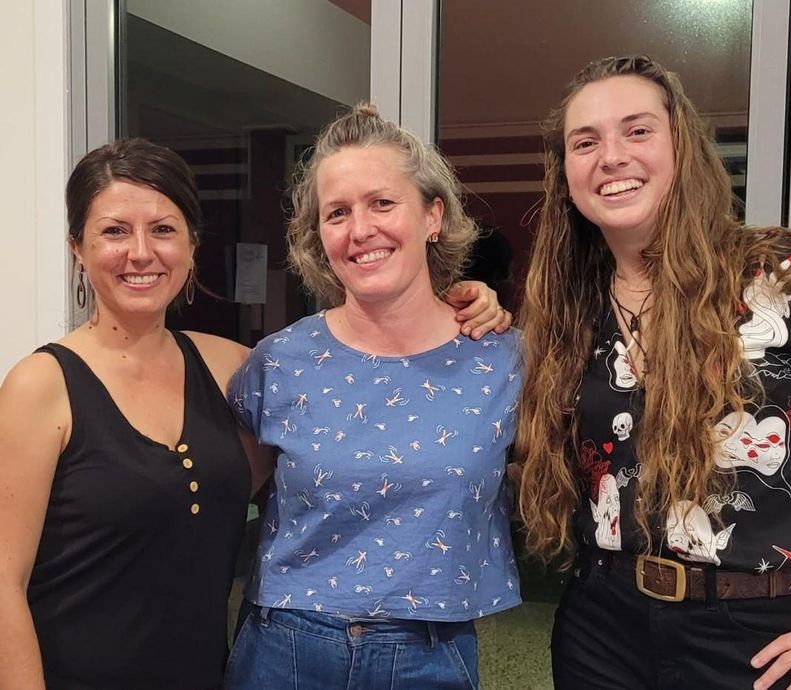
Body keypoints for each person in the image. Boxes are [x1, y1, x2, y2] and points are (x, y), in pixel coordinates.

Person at [0, 138, 509, 690]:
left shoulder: (232, 368)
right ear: (77, 247)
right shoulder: (45, 385)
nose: (141, 252)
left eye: (164, 229)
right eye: (114, 231)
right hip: (105, 667)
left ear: (192, 244)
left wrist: (467, 301)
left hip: (215, 668)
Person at [515, 54, 791, 690]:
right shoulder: (567, 310)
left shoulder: (778, 274)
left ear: (683, 149)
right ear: (565, 175)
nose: (611, 156)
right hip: (604, 626)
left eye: (637, 130)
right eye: (584, 142)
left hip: (761, 632)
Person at [224, 104, 522, 690]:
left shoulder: (503, 361)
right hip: (284, 649)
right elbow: (219, 499)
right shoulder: (279, 361)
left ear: (433, 215)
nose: (360, 230)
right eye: (337, 212)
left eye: (383, 203)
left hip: (428, 655)